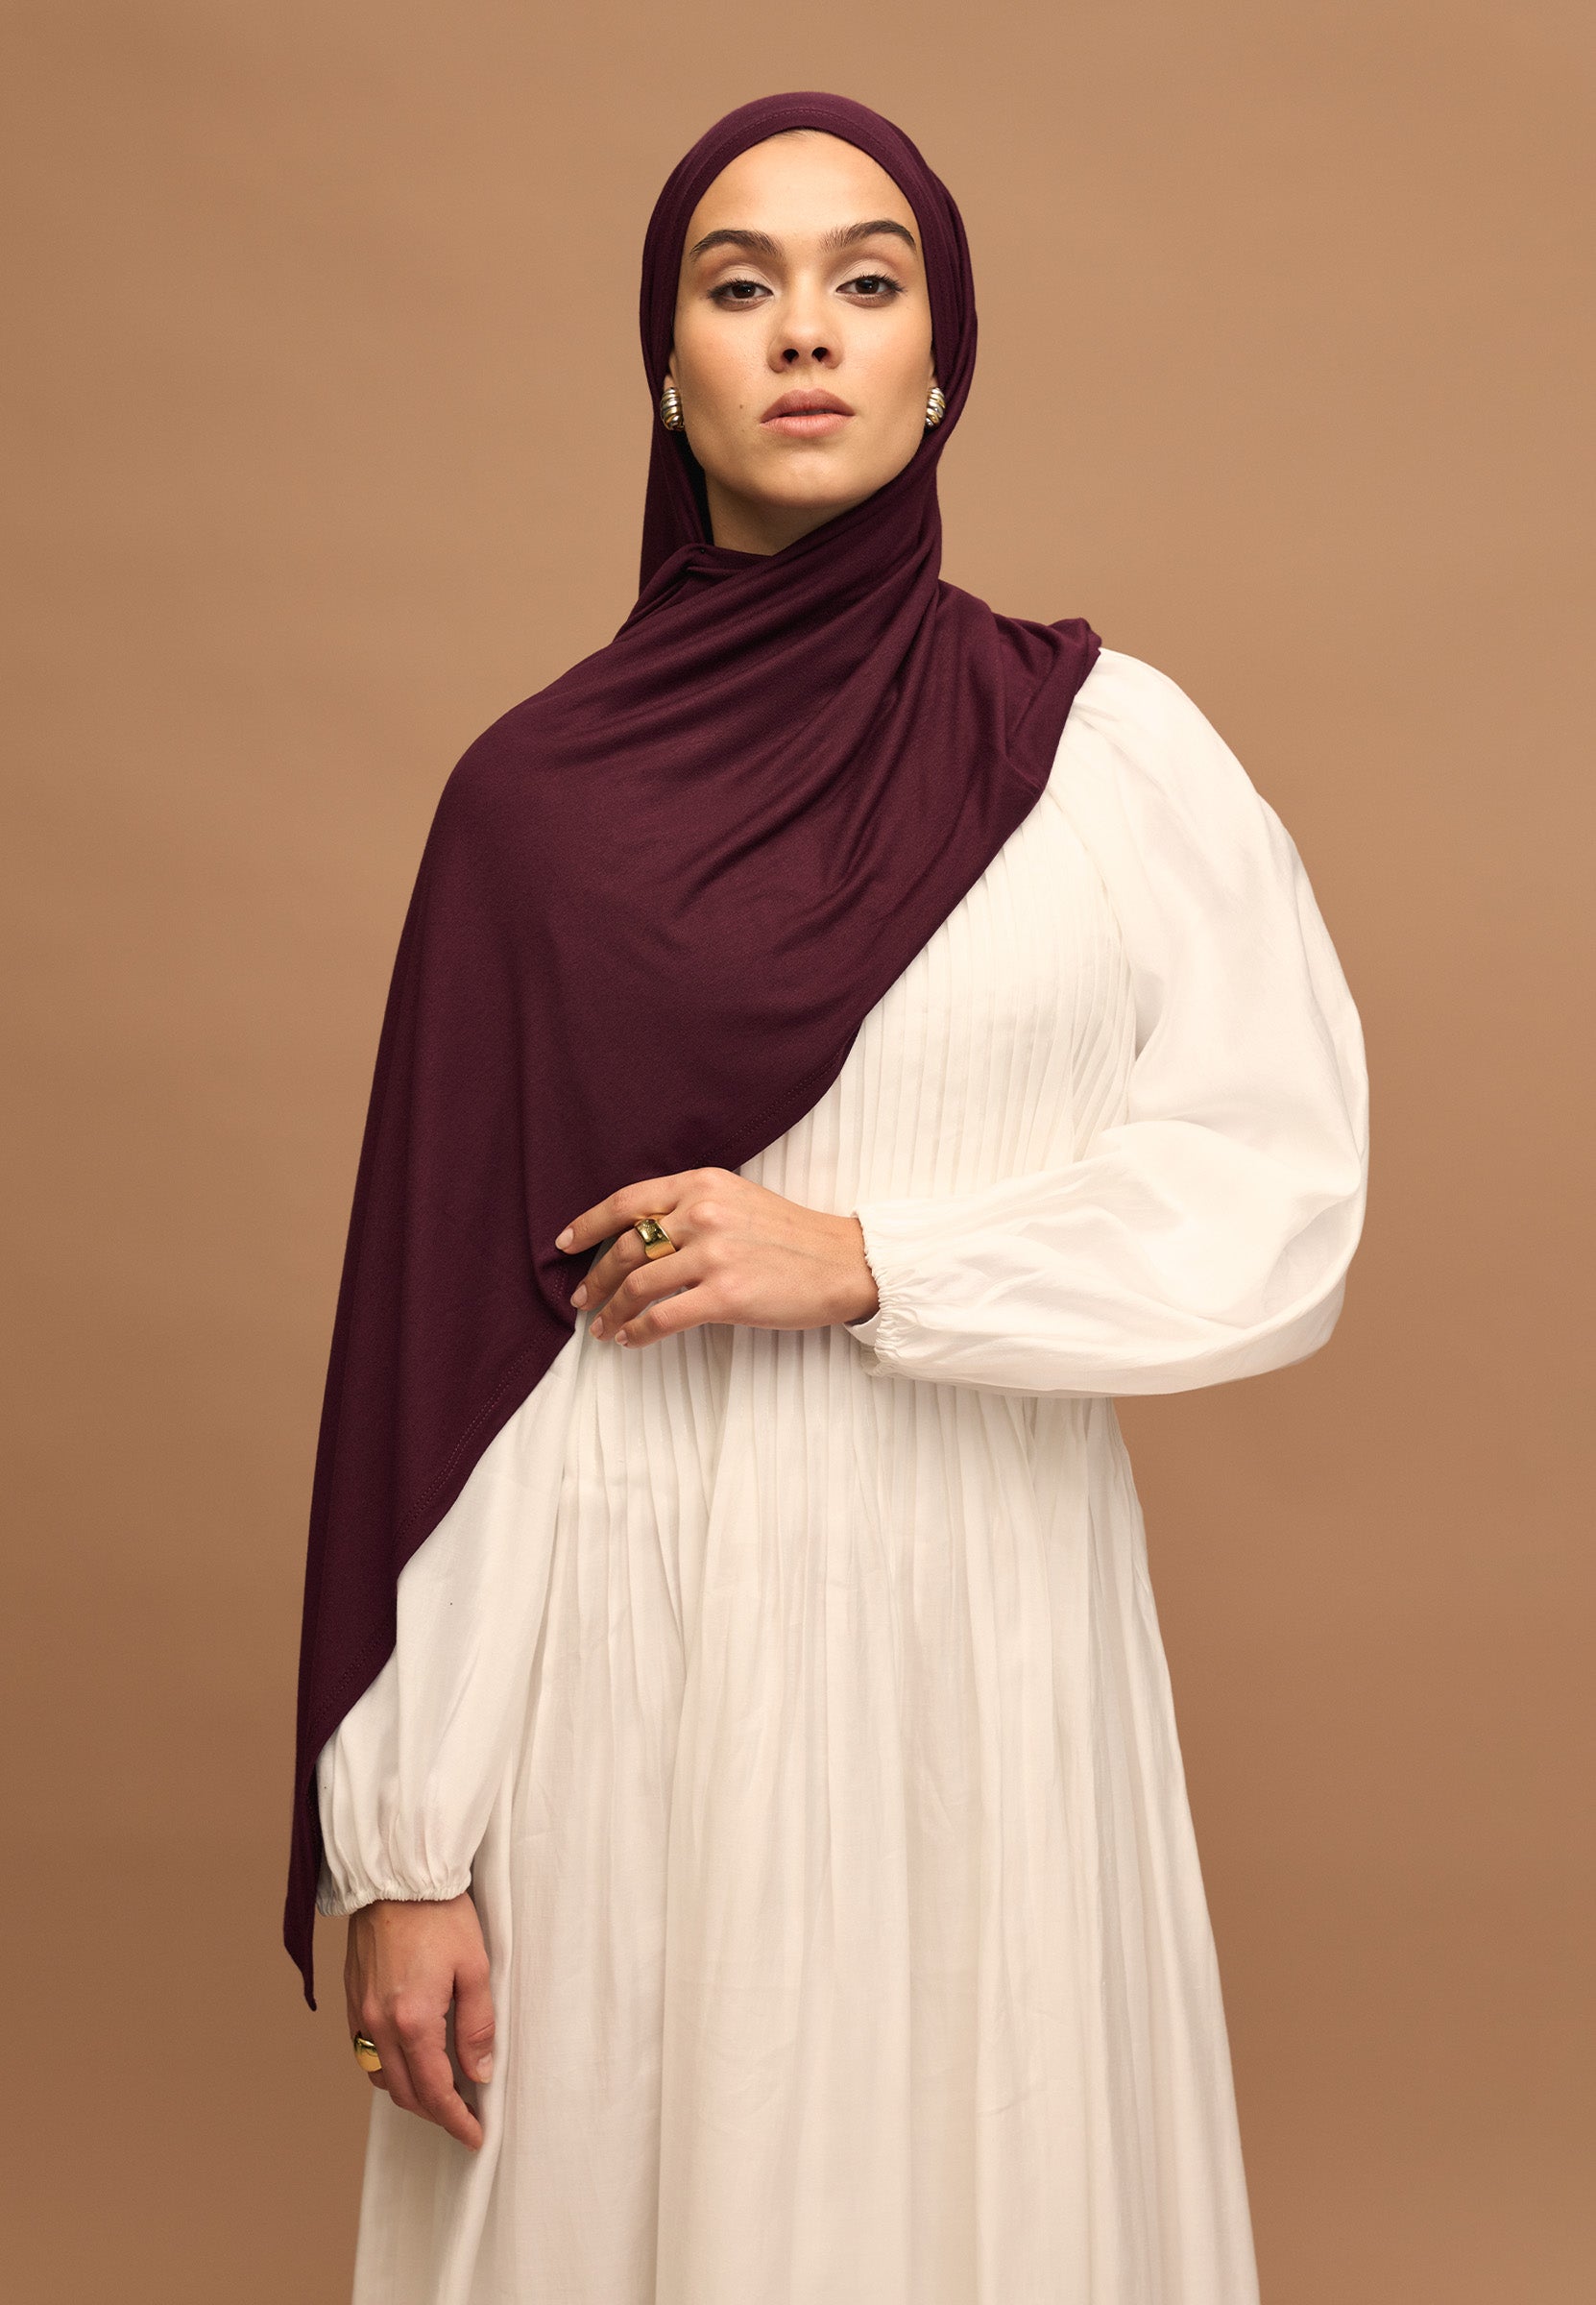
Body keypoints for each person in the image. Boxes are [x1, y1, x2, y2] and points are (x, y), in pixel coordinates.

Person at [286, 90, 1368, 2305]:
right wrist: (407, 1847)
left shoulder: (1106, 758)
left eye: (868, 283)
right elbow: (445, 1367)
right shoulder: (530, 809)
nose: (805, 332)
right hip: (629, 1664)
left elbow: (1279, 1189)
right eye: (739, 284)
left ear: (941, 359)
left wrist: (879, 1262)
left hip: (983, 1630)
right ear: (664, 364)